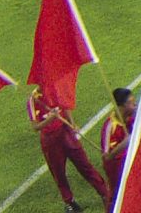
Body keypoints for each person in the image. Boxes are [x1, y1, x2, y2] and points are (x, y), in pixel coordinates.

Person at [28, 83, 111, 212]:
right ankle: (69, 202)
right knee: (58, 172)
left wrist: (72, 123)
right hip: (50, 140)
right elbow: (35, 127)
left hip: (65, 132)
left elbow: (65, 107)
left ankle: (104, 192)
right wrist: (50, 119)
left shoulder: (55, 89)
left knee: (84, 164)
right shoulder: (33, 100)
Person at [99, 88, 134, 199]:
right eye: (130, 103)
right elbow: (107, 156)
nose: (134, 105)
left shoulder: (129, 115)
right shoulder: (110, 127)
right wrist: (125, 143)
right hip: (116, 167)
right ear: (122, 106)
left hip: (128, 159)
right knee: (118, 195)